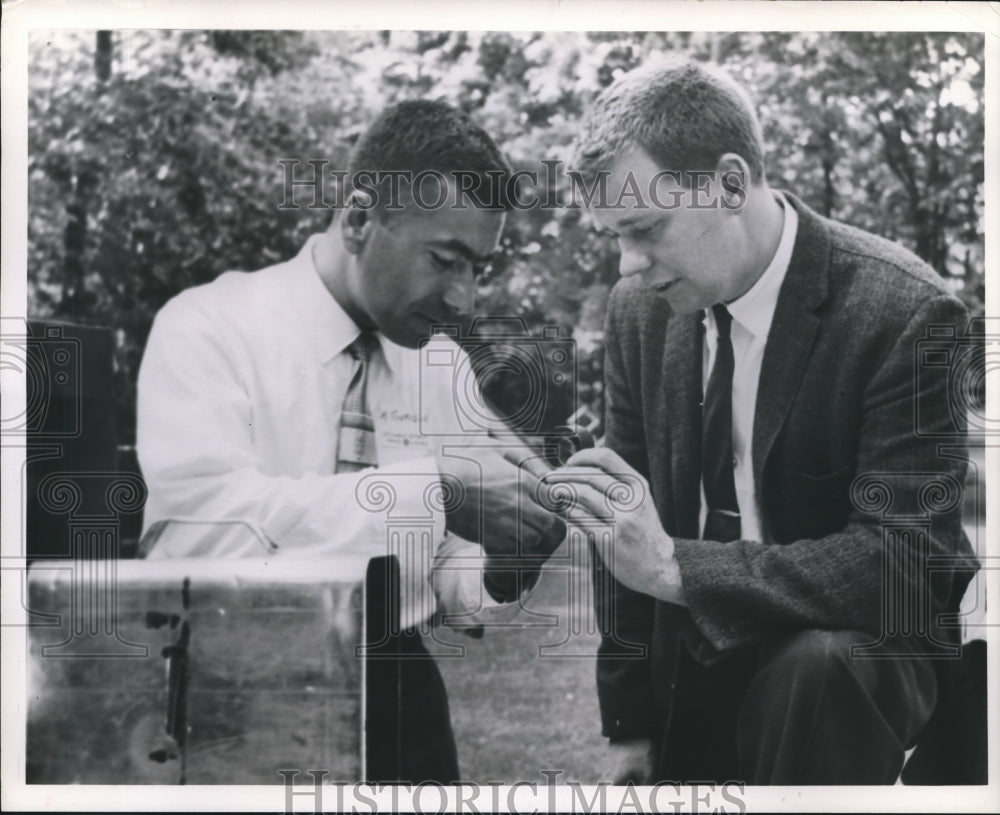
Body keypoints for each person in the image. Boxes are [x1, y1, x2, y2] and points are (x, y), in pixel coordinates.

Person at [550, 59, 980, 784]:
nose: (627, 264)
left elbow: (903, 563)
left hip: (852, 666)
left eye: (646, 227)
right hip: (700, 659)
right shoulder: (640, 310)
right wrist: (628, 725)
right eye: (612, 234)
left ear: (727, 182)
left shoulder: (905, 310)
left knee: (815, 667)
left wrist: (677, 566)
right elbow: (621, 523)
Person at [136, 100, 565, 783]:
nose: (465, 299)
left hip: (403, 697)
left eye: (477, 267)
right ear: (361, 218)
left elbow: (451, 579)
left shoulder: (440, 364)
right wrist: (436, 496)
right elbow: (200, 540)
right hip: (237, 687)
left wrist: (511, 557)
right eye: (446, 259)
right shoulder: (207, 328)